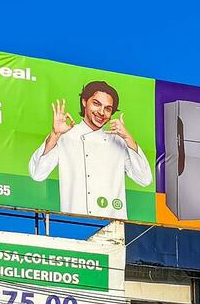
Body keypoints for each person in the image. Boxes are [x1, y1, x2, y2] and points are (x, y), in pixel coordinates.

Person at [28, 80, 152, 219]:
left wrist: (128, 138)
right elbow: (37, 174)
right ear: (84, 101)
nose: (101, 112)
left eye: (108, 108)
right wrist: (54, 135)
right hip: (74, 222)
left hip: (113, 227)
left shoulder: (119, 141)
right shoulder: (65, 135)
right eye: (96, 104)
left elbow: (145, 179)